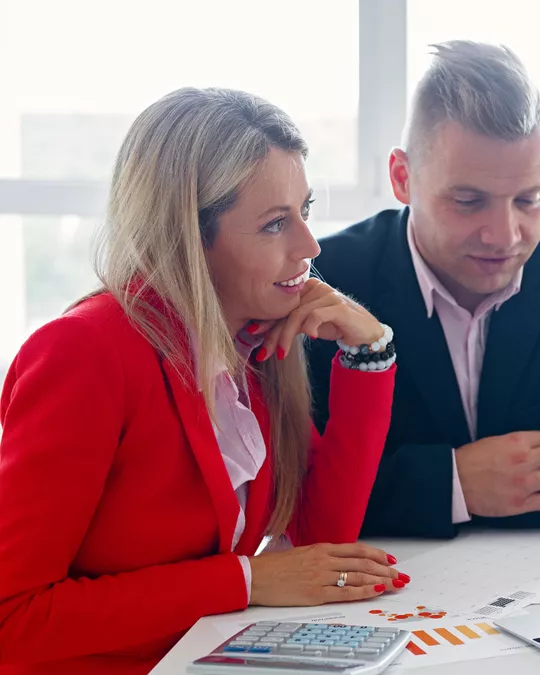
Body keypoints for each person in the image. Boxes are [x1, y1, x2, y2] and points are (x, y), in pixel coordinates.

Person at [0, 88, 410, 674]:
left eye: (305, 212)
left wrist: (371, 352)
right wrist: (246, 579)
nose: (310, 247)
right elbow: (11, 620)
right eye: (274, 224)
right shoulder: (83, 353)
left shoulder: (250, 341)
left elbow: (322, 538)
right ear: (189, 238)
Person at [308, 41, 540, 539]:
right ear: (402, 177)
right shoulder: (329, 281)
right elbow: (301, 491)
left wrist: (416, 484)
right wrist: (456, 483)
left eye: (529, 199)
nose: (505, 235)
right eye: (468, 201)